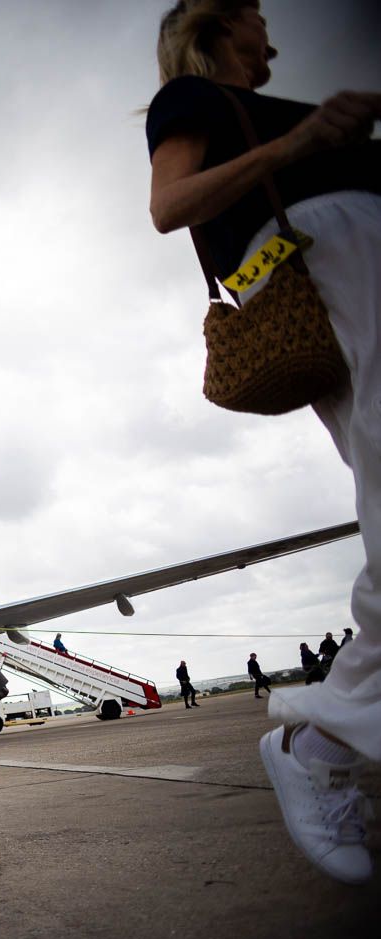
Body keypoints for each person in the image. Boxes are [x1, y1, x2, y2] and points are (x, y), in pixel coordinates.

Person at [146, 1, 381, 885]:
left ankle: (327, 739)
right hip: (332, 265)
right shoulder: (192, 101)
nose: (273, 36)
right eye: (256, 17)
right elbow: (168, 207)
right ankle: (319, 744)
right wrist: (301, 142)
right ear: (213, 25)